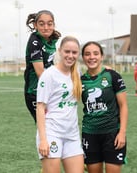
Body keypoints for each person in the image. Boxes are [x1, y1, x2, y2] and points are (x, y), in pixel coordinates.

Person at [36, 36, 84, 173]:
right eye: (67, 51)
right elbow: (40, 108)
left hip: (72, 134)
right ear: (59, 51)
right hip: (52, 133)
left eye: (74, 52)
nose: (70, 55)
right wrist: (43, 140)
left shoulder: (77, 73)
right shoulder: (49, 75)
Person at [81, 41, 128, 173]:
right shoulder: (79, 80)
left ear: (102, 56)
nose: (92, 57)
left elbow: (123, 106)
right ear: (83, 58)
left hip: (112, 134)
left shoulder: (113, 76)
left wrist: (122, 132)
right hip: (90, 134)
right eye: (87, 54)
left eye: (96, 53)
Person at [24, 10, 61, 123]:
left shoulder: (52, 40)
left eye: (49, 24)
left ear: (53, 25)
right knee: (45, 128)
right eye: (41, 24)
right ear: (35, 25)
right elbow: (41, 74)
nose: (46, 27)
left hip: (49, 90)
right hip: (35, 92)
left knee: (55, 126)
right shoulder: (34, 42)